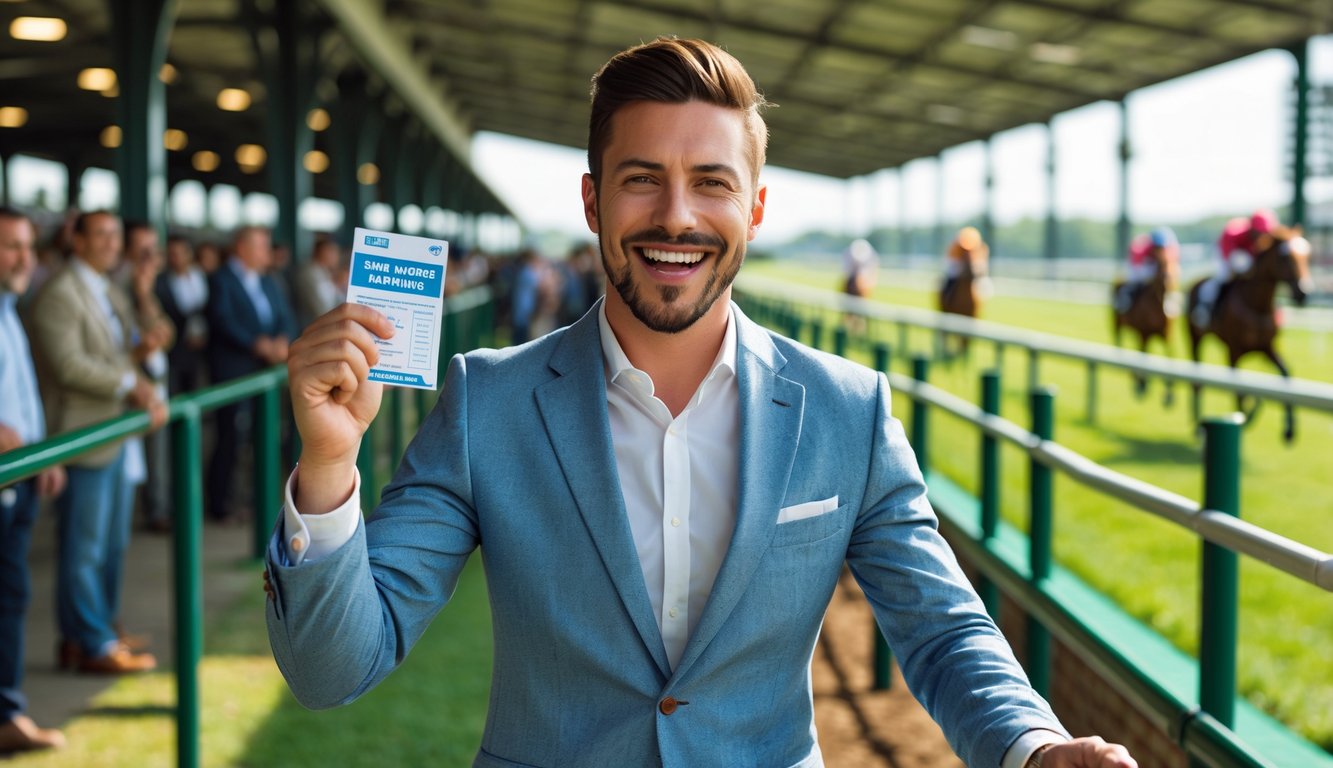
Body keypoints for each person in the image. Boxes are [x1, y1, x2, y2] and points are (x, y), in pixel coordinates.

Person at [265, 38, 1136, 768]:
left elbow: (942, 633)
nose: (675, 216)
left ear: (753, 208)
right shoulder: (487, 399)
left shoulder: (848, 410)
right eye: (641, 178)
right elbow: (332, 669)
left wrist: (1031, 746)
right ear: (592, 200)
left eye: (712, 183)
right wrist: (329, 464)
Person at [26, 210, 164, 674]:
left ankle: (98, 630)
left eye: (116, 235)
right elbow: (68, 365)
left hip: (115, 430)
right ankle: (91, 643)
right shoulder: (59, 293)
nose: (111, 243)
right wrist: (130, 381)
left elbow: (122, 349)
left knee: (109, 544)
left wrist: (137, 360)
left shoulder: (108, 288)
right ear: (76, 239)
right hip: (81, 434)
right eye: (101, 234)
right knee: (83, 547)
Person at [0, 207, 67, 753]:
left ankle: (6, 710)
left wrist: (45, 454)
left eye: (27, 246)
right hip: (6, 477)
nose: (24, 258)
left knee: (12, 593)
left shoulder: (9, 309)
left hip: (22, 477)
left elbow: (20, 399)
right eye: (11, 247)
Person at [206, 226, 296, 524]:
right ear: (242, 248)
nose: (266, 254)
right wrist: (257, 344)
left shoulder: (268, 280)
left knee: (264, 435)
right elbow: (222, 319)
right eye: (260, 247)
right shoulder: (221, 279)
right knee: (230, 437)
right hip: (233, 372)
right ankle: (220, 503)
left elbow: (285, 315)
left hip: (265, 373)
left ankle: (255, 499)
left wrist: (282, 340)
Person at [1193, 209, 1277, 326]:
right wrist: (1234, 269)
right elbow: (1229, 254)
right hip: (1223, 253)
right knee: (1223, 278)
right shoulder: (1234, 232)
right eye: (1260, 233)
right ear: (1253, 230)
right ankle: (1205, 310)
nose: (1262, 237)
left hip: (1242, 256)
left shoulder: (1261, 240)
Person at [155, 235, 210, 396]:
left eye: (179, 253)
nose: (175, 258)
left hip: (200, 350)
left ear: (189, 254)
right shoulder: (161, 282)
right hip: (175, 350)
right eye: (171, 253)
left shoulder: (200, 276)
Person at [1114, 227, 1178, 313]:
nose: (1160, 251)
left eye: (1161, 248)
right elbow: (1139, 270)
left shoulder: (1169, 250)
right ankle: (1126, 301)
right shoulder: (1141, 250)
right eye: (1157, 248)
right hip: (1137, 265)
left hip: (1150, 265)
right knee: (1136, 282)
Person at [292, 236, 344, 330]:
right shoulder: (309, 273)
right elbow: (321, 311)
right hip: (312, 329)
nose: (336, 256)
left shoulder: (326, 272)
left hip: (326, 326)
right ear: (321, 252)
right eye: (332, 251)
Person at [942, 225, 988, 298]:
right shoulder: (955, 248)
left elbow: (981, 265)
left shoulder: (980, 248)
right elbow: (951, 264)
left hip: (973, 268)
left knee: (982, 282)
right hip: (957, 269)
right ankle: (946, 296)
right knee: (951, 280)